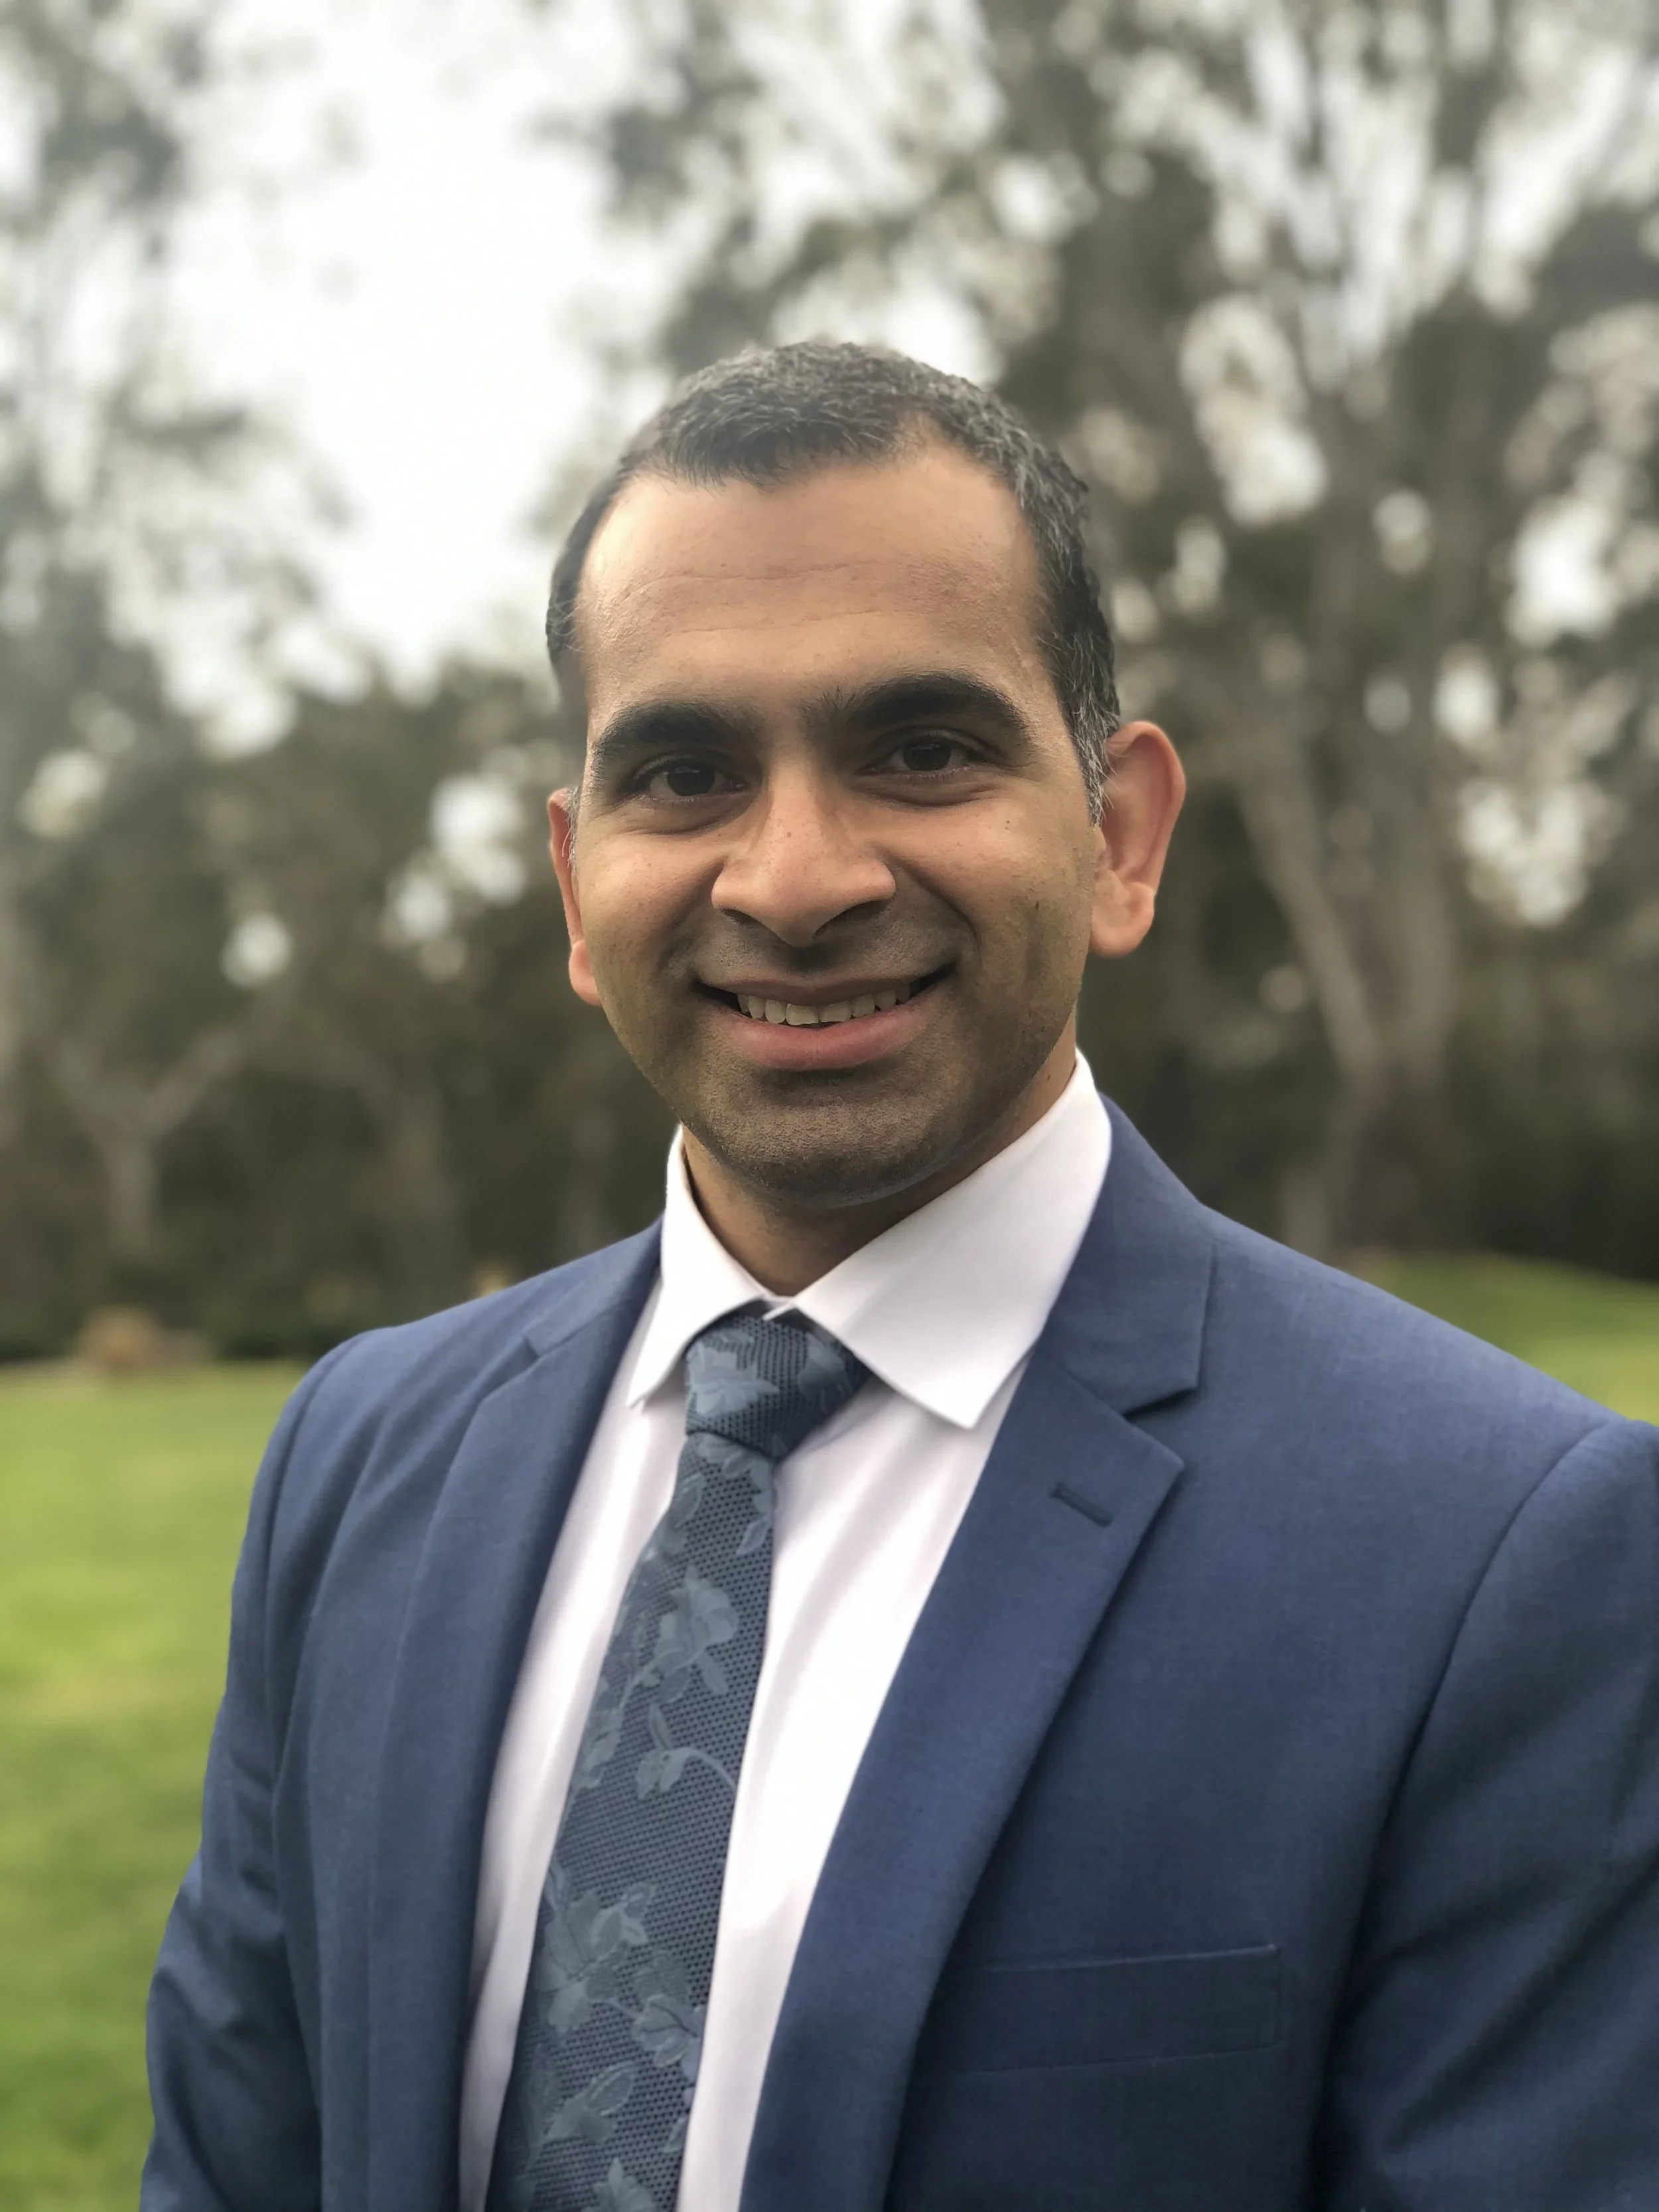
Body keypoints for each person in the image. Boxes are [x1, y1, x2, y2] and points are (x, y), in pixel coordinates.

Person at [143, 342, 1659, 2212]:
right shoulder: (362, 1459)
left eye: (920, 749)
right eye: (683, 772)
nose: (789, 875)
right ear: (573, 881)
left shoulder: (1497, 1556)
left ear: (1116, 833)